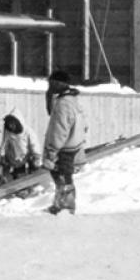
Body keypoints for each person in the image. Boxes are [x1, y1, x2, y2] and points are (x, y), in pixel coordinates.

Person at [42, 70, 87, 215]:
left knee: (61, 175)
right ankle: (63, 204)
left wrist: (52, 149)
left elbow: (59, 129)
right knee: (63, 174)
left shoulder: (63, 104)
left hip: (64, 146)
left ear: (58, 83)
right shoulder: (72, 100)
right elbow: (84, 125)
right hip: (72, 144)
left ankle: (66, 206)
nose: (49, 86)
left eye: (51, 83)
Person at [0, 112, 42, 181]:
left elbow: (34, 146)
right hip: (13, 156)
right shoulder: (8, 131)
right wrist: (2, 156)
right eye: (9, 124)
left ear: (17, 123)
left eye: (12, 124)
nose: (11, 126)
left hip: (27, 156)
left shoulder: (28, 132)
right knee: (17, 176)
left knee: (33, 173)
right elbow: (4, 143)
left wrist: (36, 158)